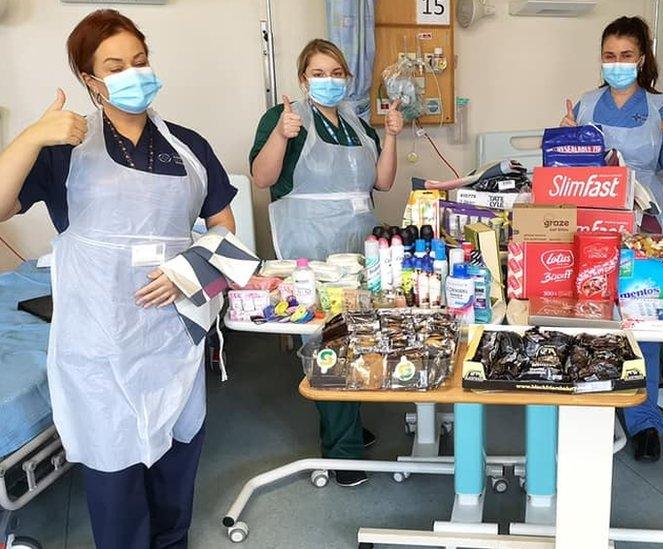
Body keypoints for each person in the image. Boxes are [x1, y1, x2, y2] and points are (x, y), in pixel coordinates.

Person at [0, 10, 238, 549]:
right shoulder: (64, 151)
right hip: (98, 343)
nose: (134, 72)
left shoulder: (189, 146)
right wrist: (33, 135)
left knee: (177, 461)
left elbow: (227, 231)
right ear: (91, 80)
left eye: (140, 61)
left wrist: (189, 272)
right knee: (114, 470)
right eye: (115, 65)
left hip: (173, 335)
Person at [249, 39, 403, 487]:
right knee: (326, 338)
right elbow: (262, 179)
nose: (329, 80)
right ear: (303, 79)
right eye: (318, 72)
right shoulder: (286, 119)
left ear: (347, 78)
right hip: (311, 241)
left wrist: (392, 135)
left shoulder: (357, 123)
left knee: (358, 331)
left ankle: (348, 426)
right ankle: (342, 453)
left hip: (358, 239)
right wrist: (281, 134)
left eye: (337, 72)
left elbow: (383, 181)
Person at [561, 16, 663, 462]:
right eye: (609, 56)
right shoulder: (584, 104)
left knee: (643, 320)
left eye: (626, 55)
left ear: (641, 58)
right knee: (593, 312)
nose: (617, 63)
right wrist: (564, 134)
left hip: (646, 221)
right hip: (594, 218)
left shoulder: (662, 108)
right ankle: (594, 398)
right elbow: (566, 170)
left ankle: (644, 419)